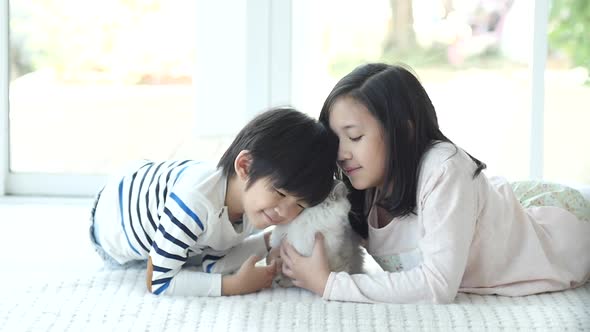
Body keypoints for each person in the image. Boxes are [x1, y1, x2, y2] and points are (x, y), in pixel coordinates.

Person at [279, 63, 590, 304]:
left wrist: (329, 285)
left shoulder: (444, 167)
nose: (342, 153)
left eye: (355, 136)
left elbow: (437, 286)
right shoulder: (361, 187)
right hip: (494, 204)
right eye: (336, 139)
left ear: (403, 131)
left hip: (556, 228)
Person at [89, 107, 338, 297]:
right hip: (113, 223)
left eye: (300, 206)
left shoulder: (254, 202)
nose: (286, 212)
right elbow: (158, 281)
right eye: (281, 193)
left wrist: (273, 242)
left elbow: (213, 261)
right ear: (245, 166)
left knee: (199, 248)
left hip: (175, 195)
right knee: (184, 252)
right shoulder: (195, 203)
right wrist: (233, 286)